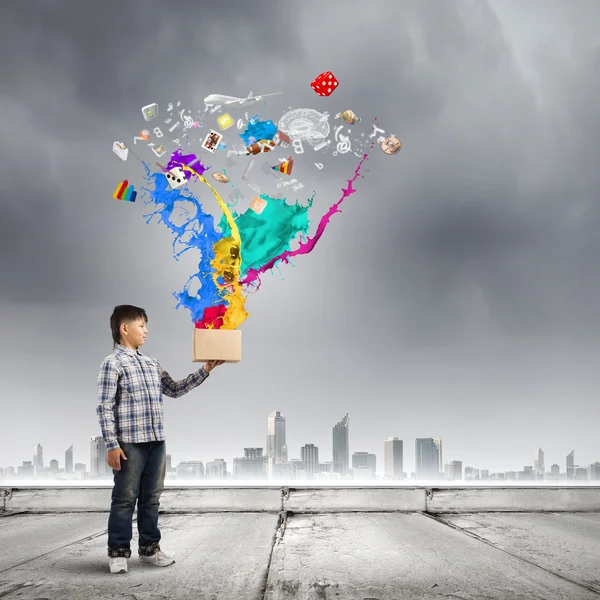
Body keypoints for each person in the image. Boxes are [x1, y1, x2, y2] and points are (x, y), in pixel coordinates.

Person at [96, 305, 224, 574]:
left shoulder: (151, 363)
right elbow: (105, 406)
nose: (146, 330)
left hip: (156, 441)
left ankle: (149, 549)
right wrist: (111, 445)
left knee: (151, 498)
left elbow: (175, 389)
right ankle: (118, 552)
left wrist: (206, 370)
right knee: (124, 498)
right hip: (129, 443)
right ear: (124, 328)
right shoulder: (112, 363)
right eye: (141, 325)